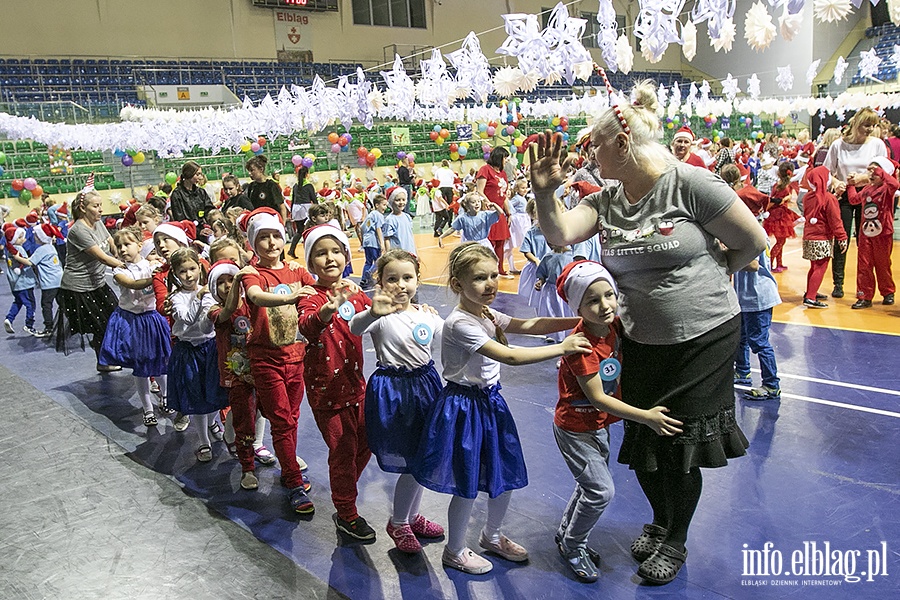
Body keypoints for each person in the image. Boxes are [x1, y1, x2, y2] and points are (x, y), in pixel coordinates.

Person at [528, 77, 765, 585]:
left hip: (703, 337)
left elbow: (752, 241)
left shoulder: (691, 183)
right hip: (638, 339)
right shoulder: (609, 199)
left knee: (679, 445)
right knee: (643, 437)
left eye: (594, 144)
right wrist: (545, 192)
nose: (587, 153)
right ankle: (659, 521)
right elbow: (558, 234)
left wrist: (711, 278)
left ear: (621, 142)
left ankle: (675, 540)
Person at [411, 242, 591, 575]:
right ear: (458, 285)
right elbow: (509, 356)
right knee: (466, 484)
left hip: (491, 403)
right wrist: (563, 348)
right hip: (464, 408)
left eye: (494, 275)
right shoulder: (460, 323)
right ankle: (454, 550)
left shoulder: (487, 313)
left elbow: (530, 325)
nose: (491, 283)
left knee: (502, 475)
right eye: (481, 278)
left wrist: (581, 320)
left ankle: (491, 535)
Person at [553, 260, 682, 582]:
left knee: (589, 486)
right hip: (575, 428)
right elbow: (597, 397)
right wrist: (646, 417)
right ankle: (573, 544)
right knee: (600, 492)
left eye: (609, 295)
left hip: (598, 426)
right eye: (592, 301)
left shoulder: (612, 327)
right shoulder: (582, 346)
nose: (605, 305)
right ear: (578, 307)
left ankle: (566, 532)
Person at [348, 250, 445, 553]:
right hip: (394, 391)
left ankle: (410, 516)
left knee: (422, 457)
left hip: (426, 387)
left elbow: (450, 337)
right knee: (409, 461)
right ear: (380, 281)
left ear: (418, 279)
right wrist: (374, 312)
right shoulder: (380, 315)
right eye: (393, 279)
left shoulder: (427, 314)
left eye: (408, 278)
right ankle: (399, 521)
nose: (401, 285)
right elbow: (355, 327)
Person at [297, 225, 374, 540]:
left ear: (346, 254)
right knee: (342, 451)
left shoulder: (354, 291)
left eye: (336, 251)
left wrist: (408, 310)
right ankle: (346, 513)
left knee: (366, 445)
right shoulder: (310, 297)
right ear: (311, 262)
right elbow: (307, 325)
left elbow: (376, 314)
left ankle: (345, 490)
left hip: (357, 385)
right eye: (320, 253)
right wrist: (326, 310)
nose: (330, 258)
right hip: (326, 391)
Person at [239, 208, 317, 512]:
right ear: (253, 243)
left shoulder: (297, 271)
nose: (271, 242)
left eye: (276, 236)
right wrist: (292, 297)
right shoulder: (251, 273)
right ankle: (293, 480)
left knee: (292, 419)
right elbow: (257, 297)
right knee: (283, 421)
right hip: (265, 359)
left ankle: (288, 466)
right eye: (263, 237)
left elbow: (319, 289)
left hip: (297, 357)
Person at [98, 227, 171, 426]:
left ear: (139, 245)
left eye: (127, 244)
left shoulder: (152, 265)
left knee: (160, 361)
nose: (122, 249)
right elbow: (132, 284)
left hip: (151, 318)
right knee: (141, 367)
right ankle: (147, 408)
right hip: (132, 321)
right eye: (119, 246)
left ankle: (166, 398)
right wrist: (158, 277)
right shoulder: (120, 271)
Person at [165, 247, 228, 463]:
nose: (189, 275)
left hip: (210, 349)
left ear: (200, 268)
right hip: (189, 352)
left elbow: (208, 324)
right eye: (183, 271)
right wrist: (199, 299)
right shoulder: (177, 298)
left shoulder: (208, 291)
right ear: (175, 274)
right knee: (197, 398)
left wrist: (206, 297)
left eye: (192, 269)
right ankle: (203, 441)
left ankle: (211, 422)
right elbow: (187, 319)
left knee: (214, 393)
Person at [55, 190, 127, 371]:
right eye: (96, 206)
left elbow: (111, 244)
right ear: (83, 208)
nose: (101, 210)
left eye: (101, 205)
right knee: (101, 324)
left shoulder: (98, 223)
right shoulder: (78, 230)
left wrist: (122, 253)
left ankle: (104, 360)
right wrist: (129, 266)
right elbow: (102, 257)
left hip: (98, 283)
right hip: (79, 288)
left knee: (111, 321)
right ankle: (104, 361)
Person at [823, 108, 886, 299]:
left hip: (869, 199)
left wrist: (863, 178)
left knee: (866, 243)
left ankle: (865, 287)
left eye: (873, 125)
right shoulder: (837, 145)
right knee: (841, 240)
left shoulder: (877, 144)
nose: (870, 129)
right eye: (867, 125)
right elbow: (825, 172)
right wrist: (837, 182)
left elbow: (885, 173)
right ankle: (838, 283)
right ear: (856, 123)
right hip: (843, 198)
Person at [732, 242, 782, 400]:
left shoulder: (751, 237)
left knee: (759, 342)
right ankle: (742, 371)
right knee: (741, 337)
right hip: (746, 297)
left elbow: (753, 265)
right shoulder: (746, 233)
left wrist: (725, 258)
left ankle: (771, 385)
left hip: (758, 298)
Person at [846, 157, 898, 308]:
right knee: (864, 266)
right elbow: (854, 200)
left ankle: (888, 292)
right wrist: (851, 186)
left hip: (883, 233)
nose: (871, 174)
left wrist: (879, 170)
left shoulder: (887, 189)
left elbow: (895, 183)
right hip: (865, 234)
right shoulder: (867, 189)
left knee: (883, 265)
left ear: (883, 172)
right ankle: (864, 296)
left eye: (875, 171)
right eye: (869, 171)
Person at [800, 166, 849, 308]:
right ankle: (810, 297)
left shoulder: (808, 197)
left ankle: (811, 291)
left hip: (808, 236)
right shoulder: (829, 199)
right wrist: (842, 237)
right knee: (821, 267)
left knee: (813, 266)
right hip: (822, 238)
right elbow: (835, 220)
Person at [14, 223, 64, 337]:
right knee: (62, 303)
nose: (35, 237)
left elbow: (30, 262)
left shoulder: (41, 250)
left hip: (49, 283)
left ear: (41, 237)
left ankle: (49, 327)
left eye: (36, 235)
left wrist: (17, 257)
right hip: (59, 280)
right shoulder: (51, 247)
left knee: (46, 304)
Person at [476, 147, 513, 278]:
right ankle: (488, 268)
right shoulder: (485, 170)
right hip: (489, 211)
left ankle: (500, 268)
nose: (506, 161)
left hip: (500, 211)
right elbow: (479, 191)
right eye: (505, 158)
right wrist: (490, 204)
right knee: (490, 241)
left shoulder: (502, 174)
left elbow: (504, 196)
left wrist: (508, 213)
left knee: (501, 241)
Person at [763, 162, 800, 273]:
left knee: (781, 241)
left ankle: (779, 263)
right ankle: (770, 264)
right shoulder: (786, 187)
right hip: (780, 216)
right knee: (780, 242)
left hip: (775, 215)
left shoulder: (777, 185)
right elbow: (780, 200)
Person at [534, 245, 576, 342]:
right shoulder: (548, 256)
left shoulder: (572, 256)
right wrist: (540, 281)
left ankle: (568, 333)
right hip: (551, 290)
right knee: (551, 312)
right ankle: (553, 334)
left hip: (565, 289)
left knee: (566, 312)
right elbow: (542, 273)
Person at [3, 227, 37, 336]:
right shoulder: (19, 249)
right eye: (20, 237)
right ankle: (29, 325)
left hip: (14, 283)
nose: (23, 239)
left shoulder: (8, 249)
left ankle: (9, 318)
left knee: (18, 301)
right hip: (24, 282)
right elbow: (27, 261)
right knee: (30, 304)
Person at [437, 192, 501, 249]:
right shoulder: (463, 218)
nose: (477, 204)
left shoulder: (485, 215)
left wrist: (494, 205)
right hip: (470, 245)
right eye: (473, 202)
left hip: (484, 245)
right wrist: (441, 237)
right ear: (467, 205)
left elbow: (500, 213)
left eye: (478, 201)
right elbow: (452, 229)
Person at [517, 199, 550, 309]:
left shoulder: (553, 231)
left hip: (551, 268)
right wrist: (536, 260)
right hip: (536, 268)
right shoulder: (531, 232)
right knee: (536, 296)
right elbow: (526, 251)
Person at [245, 155, 287, 225]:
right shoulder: (251, 187)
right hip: (257, 222)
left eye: (252, 170)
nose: (250, 173)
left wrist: (283, 224)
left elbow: (282, 207)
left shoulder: (271, 185)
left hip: (272, 221)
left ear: (261, 169)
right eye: (249, 171)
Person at [359, 194, 388, 289]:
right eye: (383, 205)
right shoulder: (378, 215)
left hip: (367, 241)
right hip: (373, 242)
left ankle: (364, 280)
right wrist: (382, 243)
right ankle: (370, 274)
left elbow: (362, 228)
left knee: (368, 262)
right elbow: (378, 229)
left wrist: (363, 240)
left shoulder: (370, 215)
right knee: (378, 261)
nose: (385, 207)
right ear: (377, 205)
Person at [288, 165, 316, 258]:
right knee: (309, 230)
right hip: (305, 209)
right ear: (307, 174)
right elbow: (314, 199)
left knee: (299, 231)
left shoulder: (295, 185)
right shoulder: (308, 185)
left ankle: (291, 250)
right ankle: (309, 252)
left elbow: (293, 199)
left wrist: (292, 212)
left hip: (296, 209)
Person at [382, 187, 416, 253]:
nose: (401, 202)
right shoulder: (390, 220)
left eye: (403, 199)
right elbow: (387, 239)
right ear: (391, 201)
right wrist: (389, 254)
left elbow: (411, 236)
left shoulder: (407, 217)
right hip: (398, 255)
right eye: (398, 200)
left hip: (410, 253)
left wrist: (416, 252)